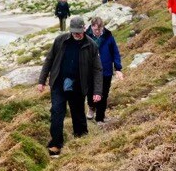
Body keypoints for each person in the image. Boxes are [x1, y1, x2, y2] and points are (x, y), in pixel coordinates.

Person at [37, 17, 102, 158]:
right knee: (56, 112)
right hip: (59, 84)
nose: (77, 35)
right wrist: (41, 81)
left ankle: (81, 140)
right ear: (70, 30)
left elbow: (97, 69)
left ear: (84, 28)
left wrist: (97, 91)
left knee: (78, 114)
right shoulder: (60, 40)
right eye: (74, 32)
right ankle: (56, 144)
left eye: (79, 32)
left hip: (78, 86)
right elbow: (49, 60)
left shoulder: (91, 45)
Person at [85, 17, 123, 124]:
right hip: (90, 70)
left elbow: (115, 53)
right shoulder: (86, 36)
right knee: (90, 91)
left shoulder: (108, 36)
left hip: (106, 70)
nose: (97, 32)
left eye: (99, 29)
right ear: (91, 27)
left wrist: (118, 68)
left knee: (104, 94)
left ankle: (100, 118)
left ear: (102, 27)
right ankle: (92, 106)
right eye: (95, 29)